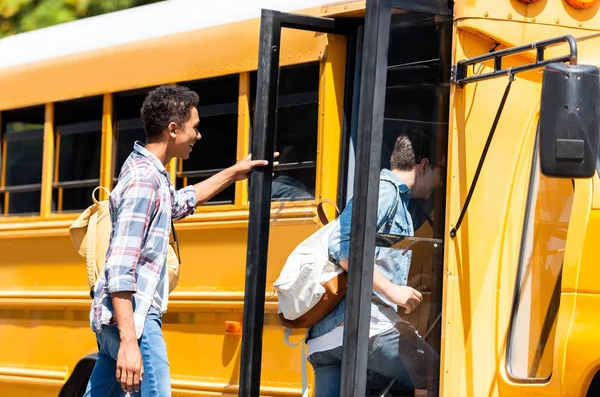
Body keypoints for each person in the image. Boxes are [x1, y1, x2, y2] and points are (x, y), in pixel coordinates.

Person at [84, 85, 275, 396]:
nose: (198, 136)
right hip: (137, 319)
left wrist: (235, 173)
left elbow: (177, 203)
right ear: (173, 129)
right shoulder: (145, 180)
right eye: (194, 127)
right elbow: (120, 266)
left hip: (121, 320)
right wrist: (131, 341)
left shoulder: (147, 172)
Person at [306, 127, 444, 397]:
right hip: (360, 328)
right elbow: (343, 245)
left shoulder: (389, 195)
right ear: (424, 165)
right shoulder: (386, 191)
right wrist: (392, 290)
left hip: (325, 339)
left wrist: (400, 284)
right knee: (443, 374)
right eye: (440, 174)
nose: (439, 183)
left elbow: (367, 255)